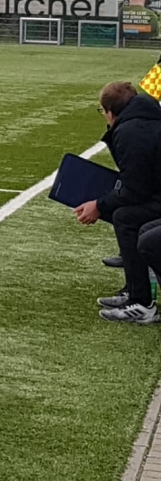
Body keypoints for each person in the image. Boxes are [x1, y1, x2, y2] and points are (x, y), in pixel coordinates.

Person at [75, 81, 161, 324]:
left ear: (110, 111)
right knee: (124, 214)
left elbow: (135, 190)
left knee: (125, 218)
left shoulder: (129, 131)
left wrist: (99, 205)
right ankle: (135, 291)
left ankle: (141, 301)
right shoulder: (148, 117)